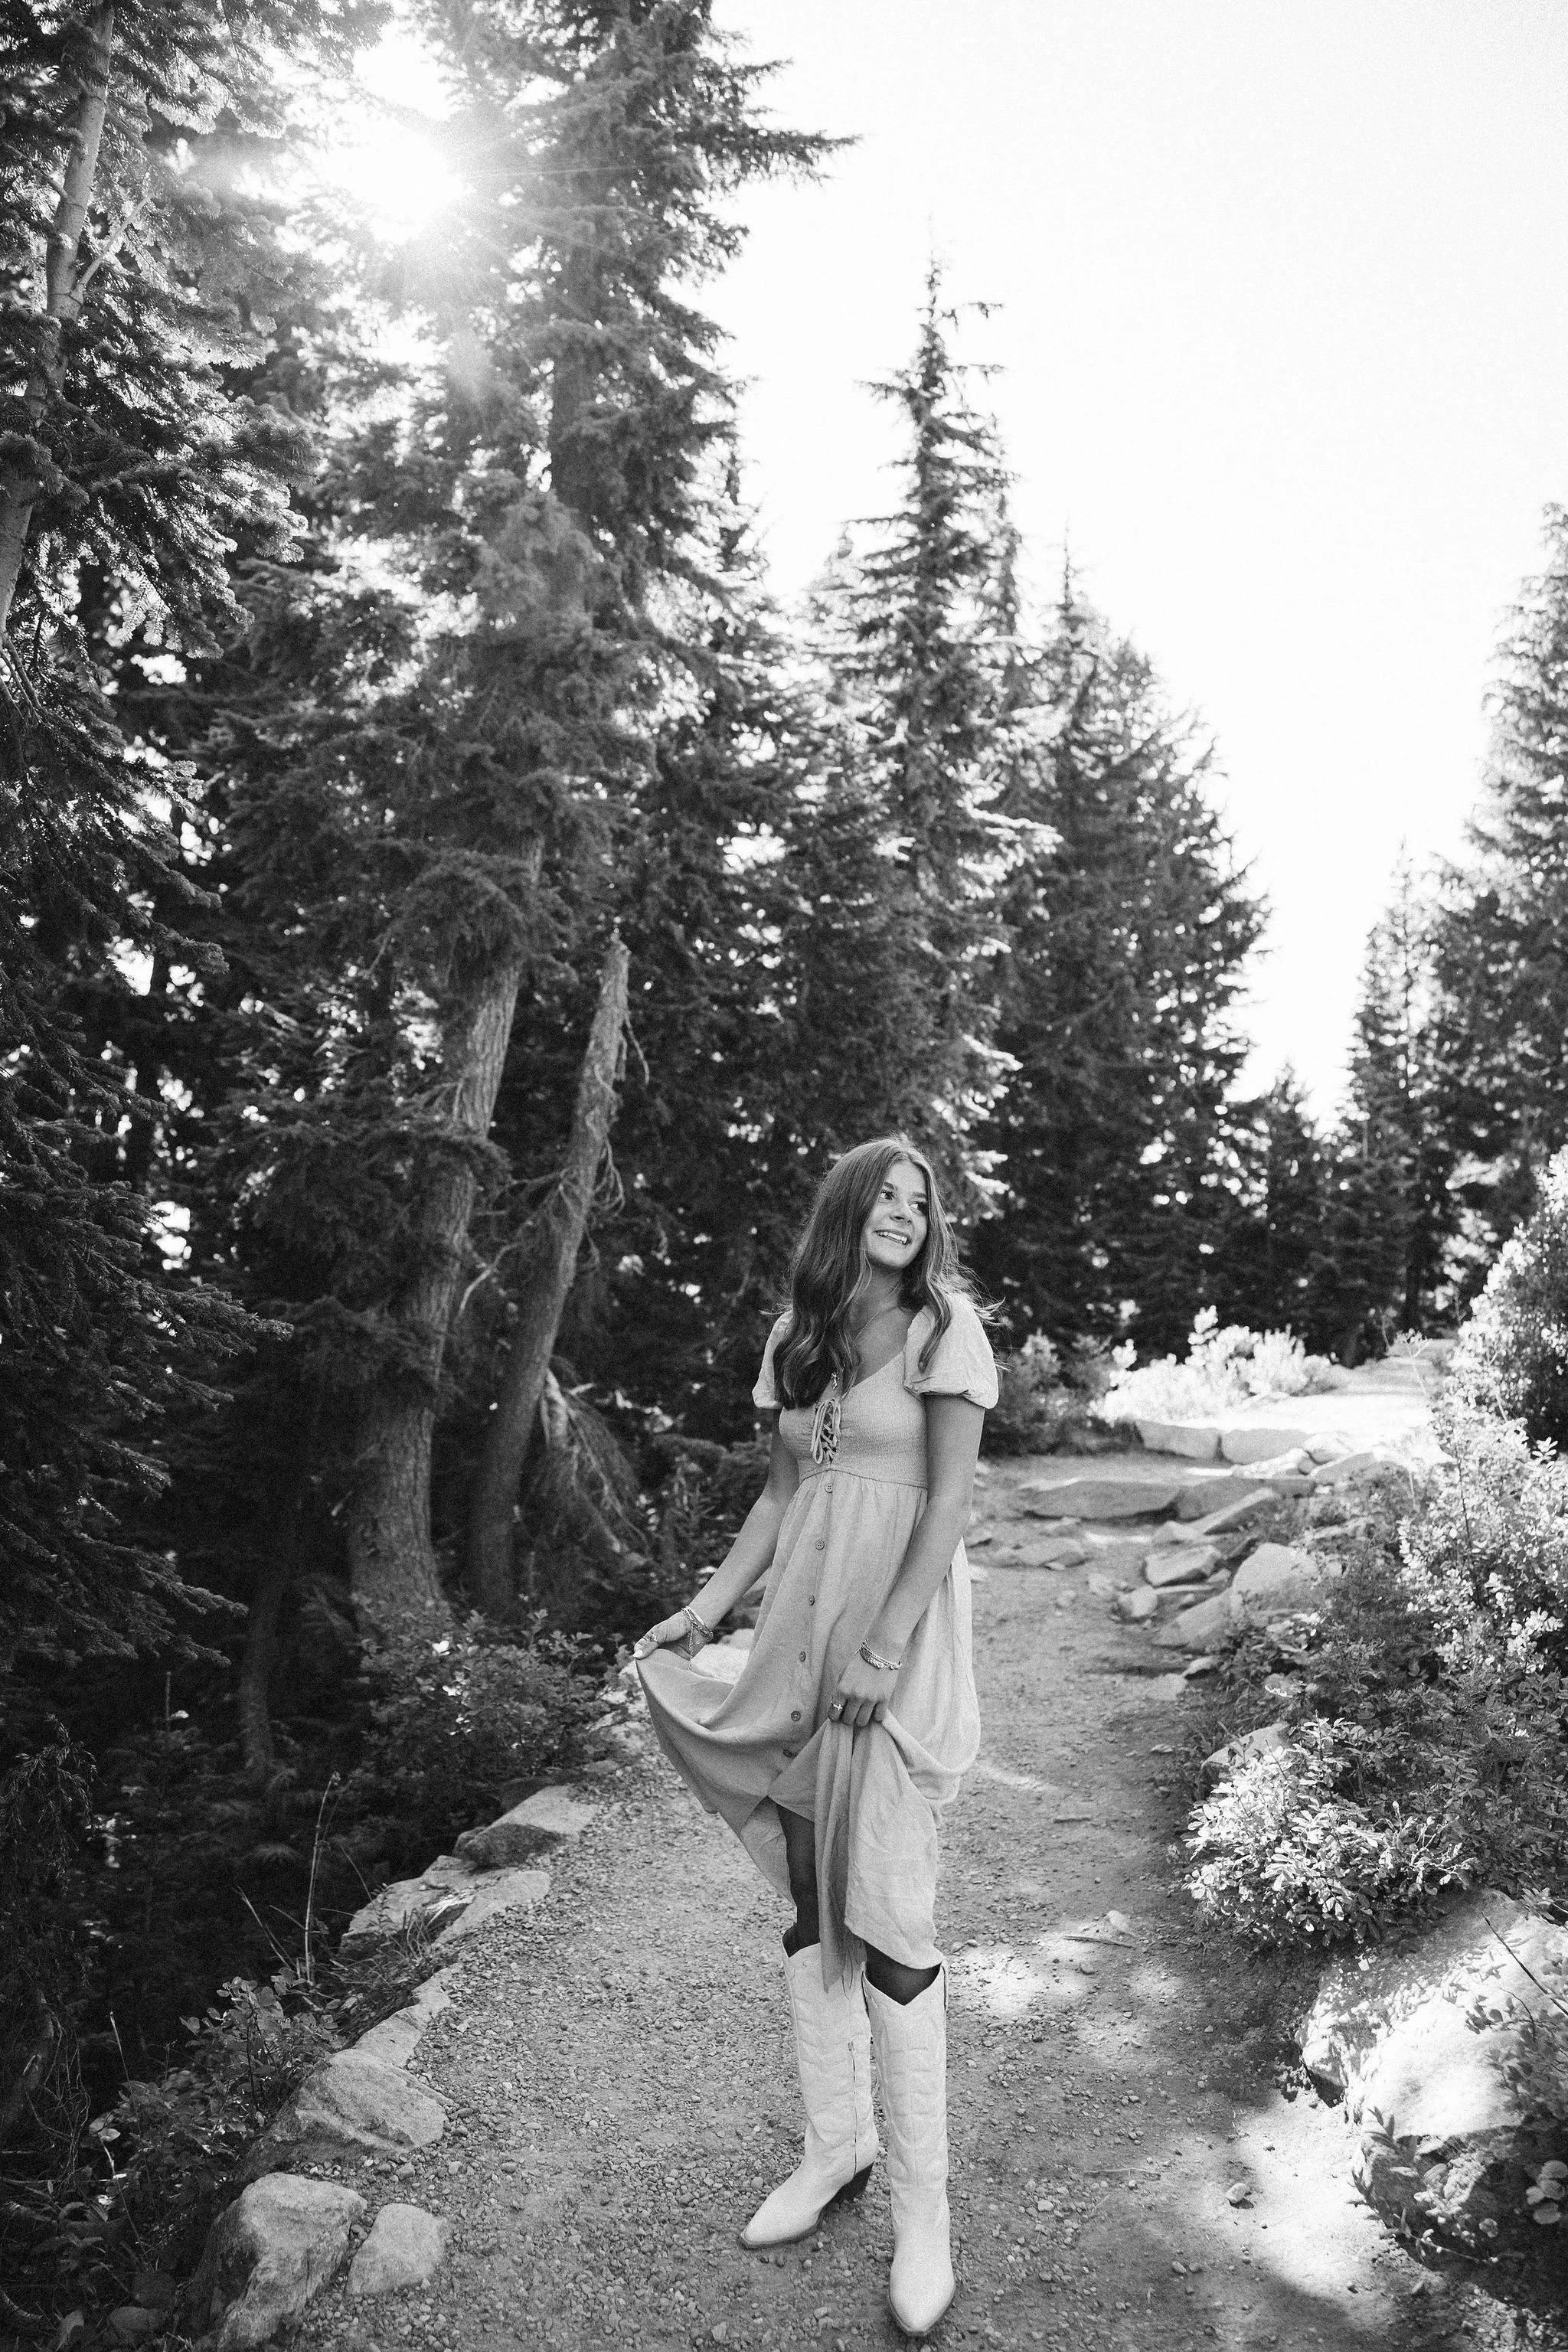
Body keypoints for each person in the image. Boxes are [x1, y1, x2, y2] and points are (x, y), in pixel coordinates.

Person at [633, 1136, 997, 2338]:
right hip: (797, 1632)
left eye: (920, 1201)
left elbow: (946, 1502)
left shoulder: (948, 1328)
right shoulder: (799, 1340)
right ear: (847, 1211)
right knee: (809, 1901)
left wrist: (886, 1650)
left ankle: (922, 2213)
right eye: (884, 1197)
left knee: (890, 1924)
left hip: (889, 1645)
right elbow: (783, 1496)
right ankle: (834, 2146)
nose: (904, 1213)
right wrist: (698, 1615)